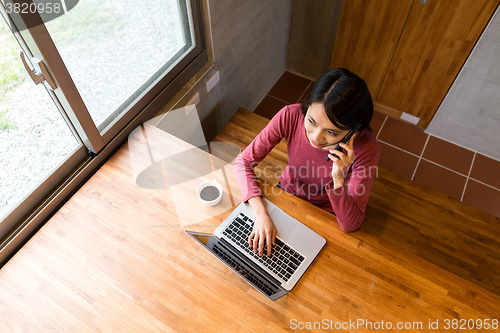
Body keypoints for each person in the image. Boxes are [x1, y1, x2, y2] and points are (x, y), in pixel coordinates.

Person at [233, 68, 381, 256]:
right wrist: (261, 214)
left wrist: (338, 179)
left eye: (332, 132)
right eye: (311, 121)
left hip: (325, 213)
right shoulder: (291, 115)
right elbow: (243, 162)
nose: (316, 137)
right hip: (286, 193)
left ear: (354, 131)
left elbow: (350, 224)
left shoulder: (367, 149)